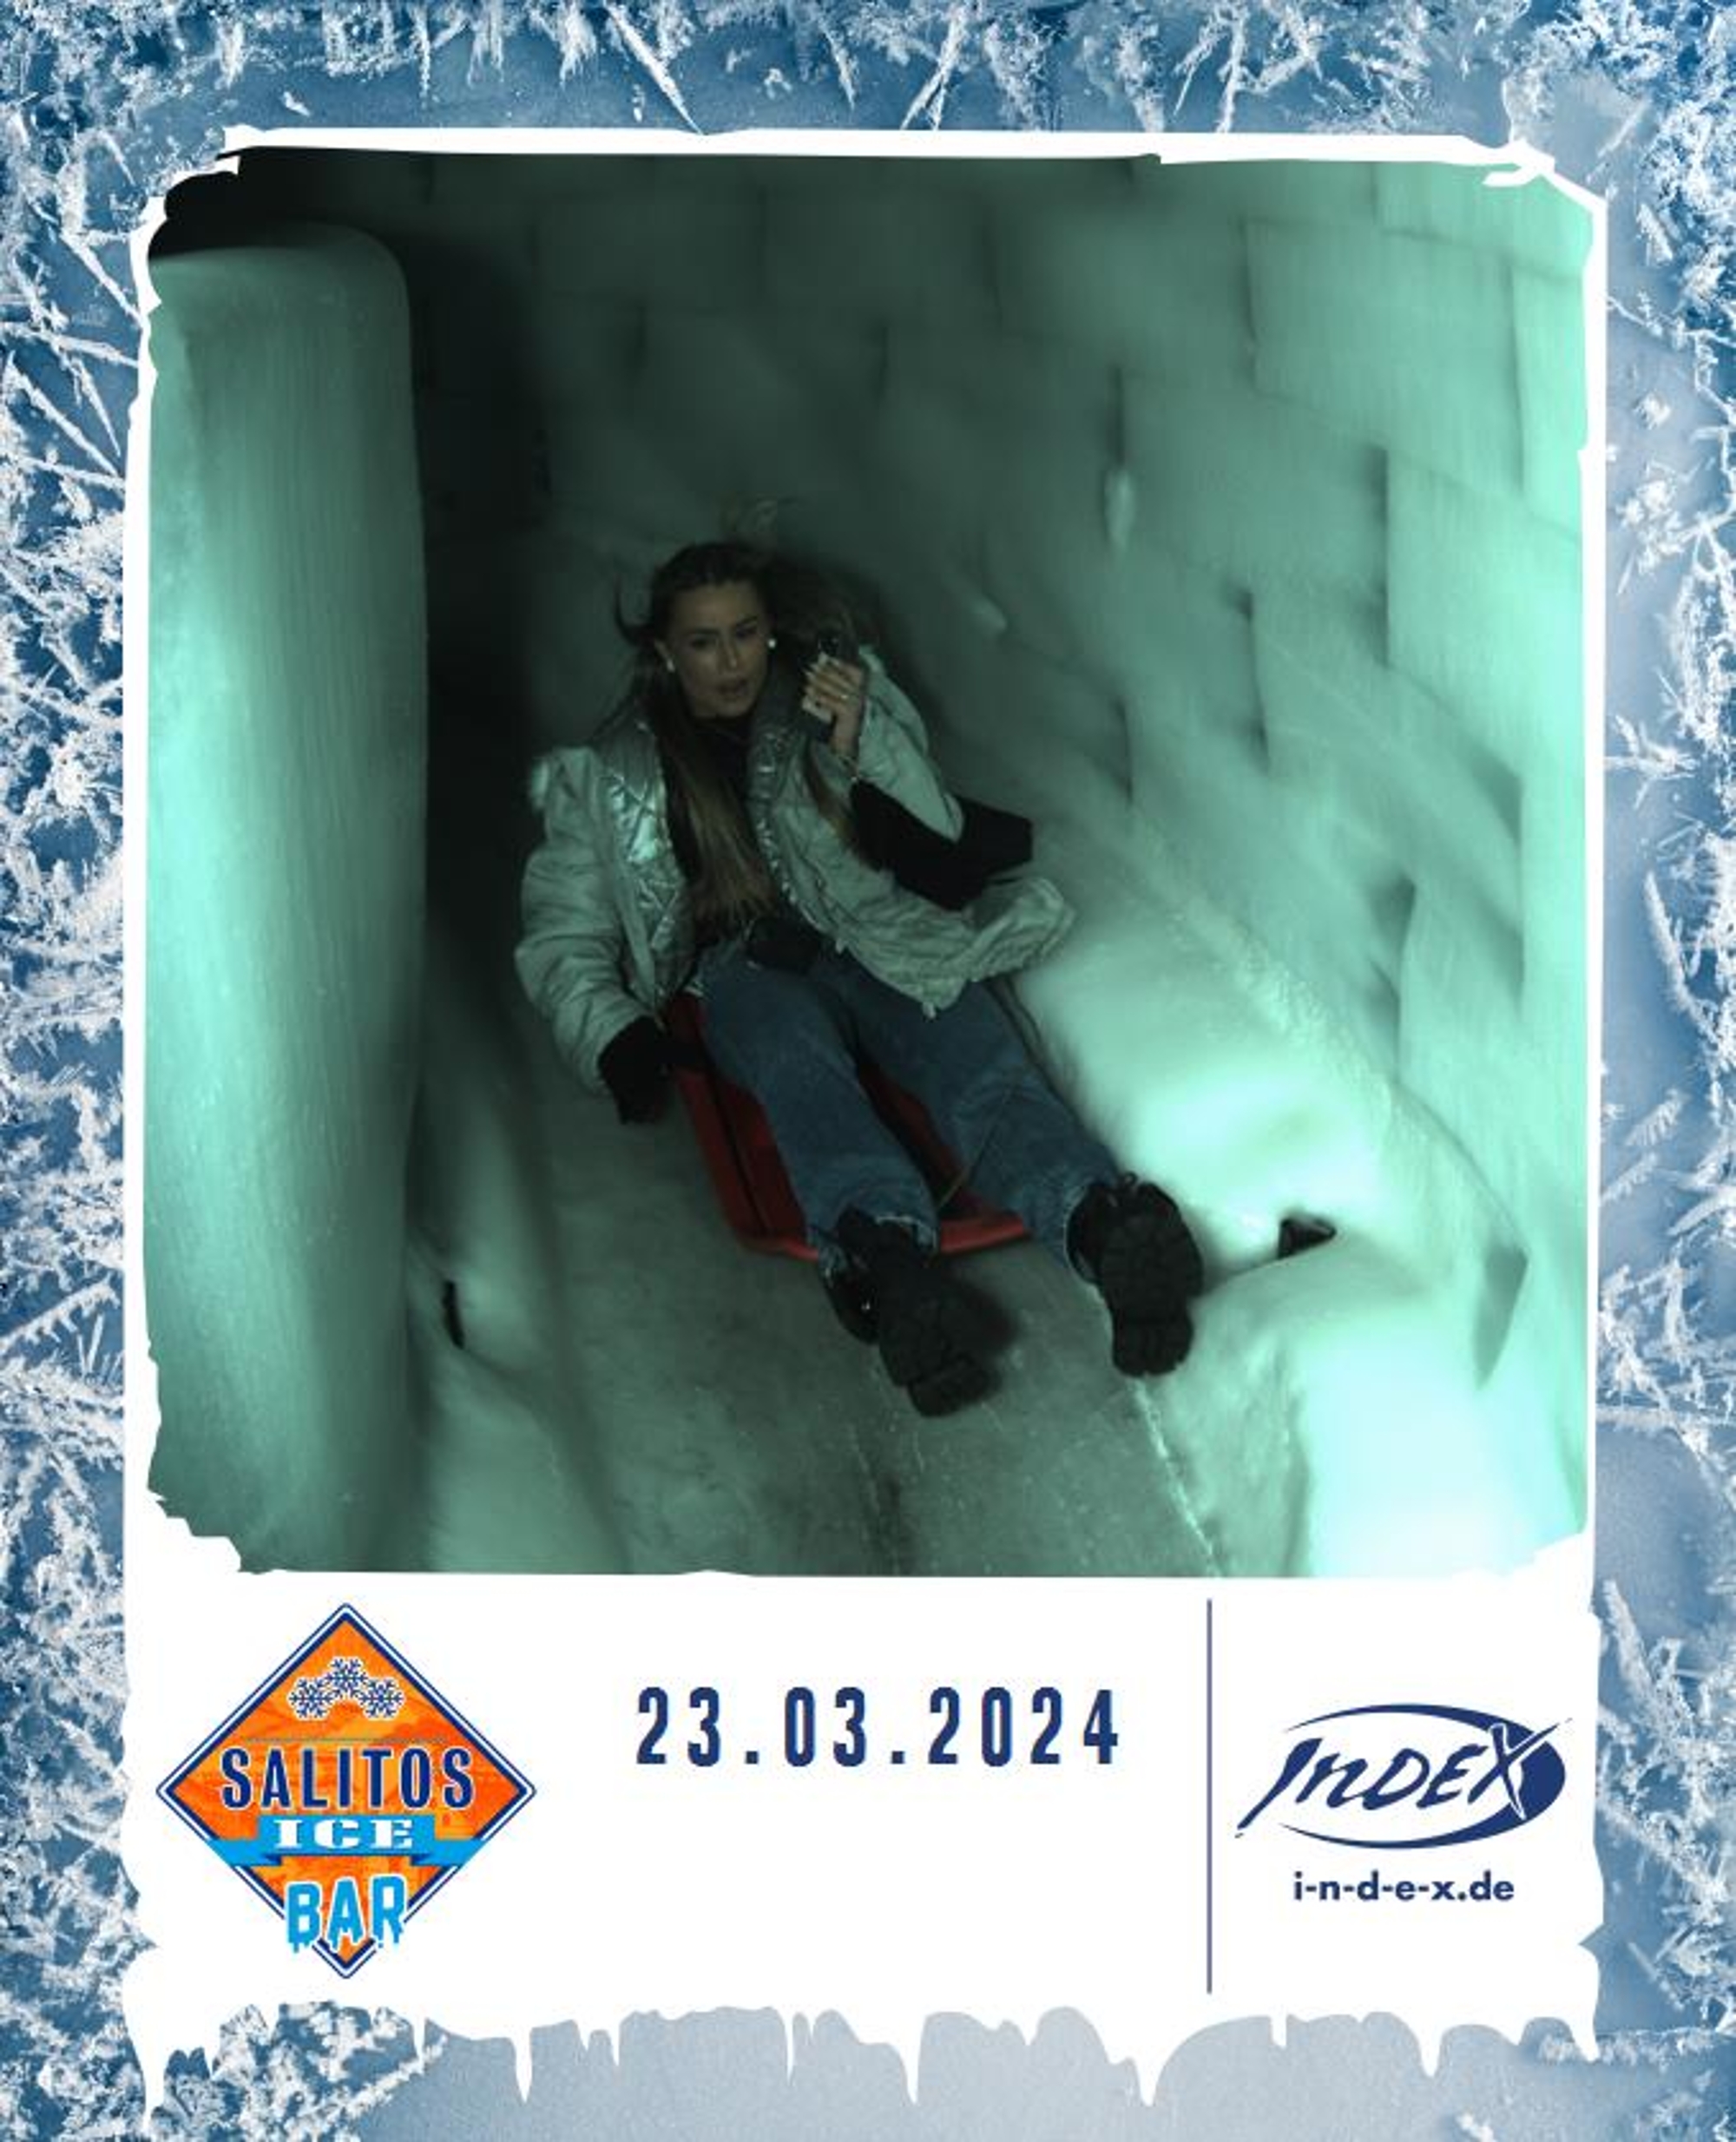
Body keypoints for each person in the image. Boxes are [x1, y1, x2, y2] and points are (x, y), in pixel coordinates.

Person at [516, 541, 1205, 1416]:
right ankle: (886, 1257)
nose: (730, 661)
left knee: (974, 1058)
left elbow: (936, 838)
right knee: (798, 1069)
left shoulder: (825, 701)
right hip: (742, 965)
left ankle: (1100, 1222)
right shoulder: (610, 777)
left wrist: (859, 742)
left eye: (746, 633)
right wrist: (611, 1032)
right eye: (703, 641)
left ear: (771, 631)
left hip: (872, 929)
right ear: (663, 650)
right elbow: (563, 931)